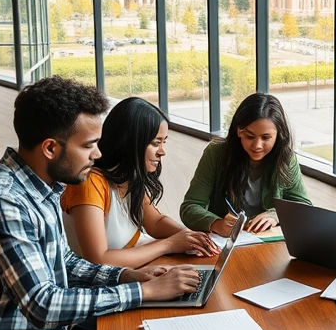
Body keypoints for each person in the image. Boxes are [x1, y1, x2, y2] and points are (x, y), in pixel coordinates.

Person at [0, 77, 202, 330]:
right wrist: (143, 292)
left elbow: (65, 262)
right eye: (88, 145)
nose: (97, 154)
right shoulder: (4, 200)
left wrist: (129, 276)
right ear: (51, 148)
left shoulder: (40, 186)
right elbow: (43, 304)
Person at [60, 97, 219, 269]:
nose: (162, 152)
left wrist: (188, 236)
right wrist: (169, 244)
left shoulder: (127, 177)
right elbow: (97, 258)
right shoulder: (90, 183)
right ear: (130, 142)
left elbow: (155, 222)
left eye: (164, 142)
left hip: (137, 268)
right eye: (156, 143)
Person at [180, 93, 311, 236]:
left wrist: (275, 215)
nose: (257, 145)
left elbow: (306, 208)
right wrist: (217, 224)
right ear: (238, 130)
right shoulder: (216, 153)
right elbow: (190, 207)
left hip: (268, 243)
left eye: (266, 137)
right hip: (225, 243)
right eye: (249, 136)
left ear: (278, 135)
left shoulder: (285, 158)